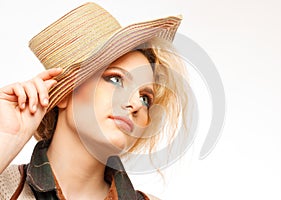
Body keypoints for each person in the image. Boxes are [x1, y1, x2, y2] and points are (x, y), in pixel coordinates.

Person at [0, 2, 188, 199]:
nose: (136, 104)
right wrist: (5, 139)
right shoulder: (6, 185)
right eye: (115, 79)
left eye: (145, 98)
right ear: (65, 94)